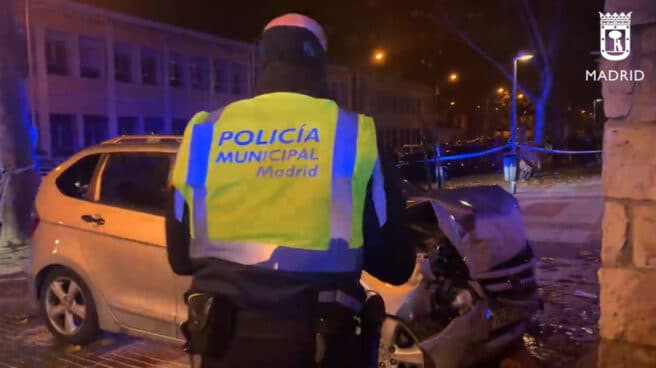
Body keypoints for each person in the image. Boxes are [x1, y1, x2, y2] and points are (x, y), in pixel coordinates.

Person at [166, 13, 416, 368]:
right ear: (321, 63)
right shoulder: (354, 135)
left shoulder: (204, 131)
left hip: (222, 347)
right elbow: (395, 265)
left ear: (262, 60)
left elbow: (179, 258)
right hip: (321, 347)